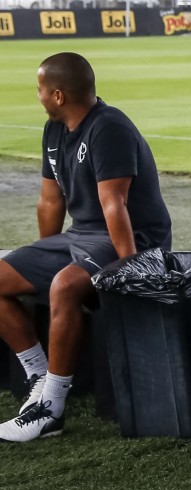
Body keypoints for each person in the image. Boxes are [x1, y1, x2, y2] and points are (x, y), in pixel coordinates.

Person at [0, 52, 172, 443]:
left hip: (132, 236)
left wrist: (132, 267)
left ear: (58, 95)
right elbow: (50, 201)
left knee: (64, 285)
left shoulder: (109, 128)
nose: (38, 97)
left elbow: (116, 204)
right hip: (81, 235)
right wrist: (39, 260)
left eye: (41, 90)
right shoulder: (54, 130)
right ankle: (40, 377)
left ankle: (51, 409)